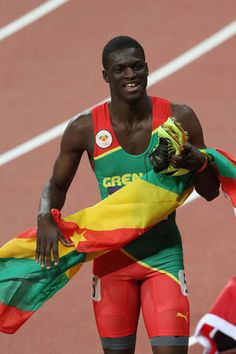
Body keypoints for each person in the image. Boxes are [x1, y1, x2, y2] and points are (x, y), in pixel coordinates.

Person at [36, 36, 220, 354]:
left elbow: (210, 191)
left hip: (163, 257)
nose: (130, 75)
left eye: (137, 67)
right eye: (120, 69)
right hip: (112, 263)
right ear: (106, 76)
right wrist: (45, 217)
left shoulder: (179, 119)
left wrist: (199, 162)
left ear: (147, 69)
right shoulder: (85, 129)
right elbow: (56, 186)